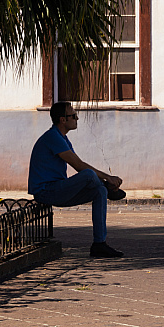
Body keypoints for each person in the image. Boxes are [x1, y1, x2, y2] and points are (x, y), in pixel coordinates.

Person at [28, 101, 126, 258]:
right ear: (63, 119)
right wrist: (108, 177)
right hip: (46, 191)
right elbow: (79, 166)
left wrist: (103, 181)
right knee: (88, 175)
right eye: (73, 116)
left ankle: (99, 244)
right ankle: (108, 187)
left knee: (99, 191)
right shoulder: (52, 137)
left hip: (58, 189)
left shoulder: (63, 138)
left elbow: (78, 164)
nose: (77, 119)